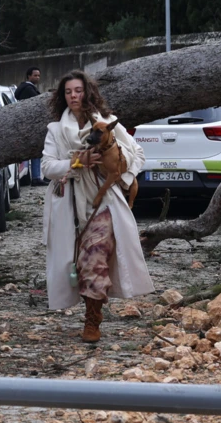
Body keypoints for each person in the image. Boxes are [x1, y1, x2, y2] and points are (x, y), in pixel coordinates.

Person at [42, 70, 153, 342]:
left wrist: (122, 175)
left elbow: (137, 152)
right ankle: (88, 309)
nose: (73, 96)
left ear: (87, 93)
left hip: (104, 201)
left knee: (95, 256)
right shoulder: (56, 130)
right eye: (68, 92)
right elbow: (47, 167)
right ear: (63, 96)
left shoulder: (107, 124)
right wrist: (77, 162)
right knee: (77, 262)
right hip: (69, 204)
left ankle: (92, 321)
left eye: (78, 91)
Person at [15, 67, 46, 184]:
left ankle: (33, 176)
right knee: (35, 151)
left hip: (27, 126)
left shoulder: (25, 88)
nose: (37, 78)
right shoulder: (29, 90)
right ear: (29, 76)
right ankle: (36, 177)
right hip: (30, 127)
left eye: (39, 75)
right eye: (35, 75)